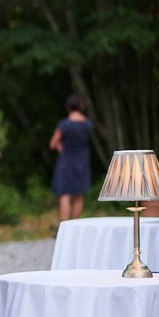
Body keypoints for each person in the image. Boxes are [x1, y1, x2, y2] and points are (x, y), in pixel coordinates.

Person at [49, 94, 93, 222]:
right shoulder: (87, 124)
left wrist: (59, 145)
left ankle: (65, 226)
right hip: (82, 160)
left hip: (67, 161)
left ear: (67, 107)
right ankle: (75, 225)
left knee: (65, 193)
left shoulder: (64, 125)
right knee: (79, 194)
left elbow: (52, 143)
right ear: (80, 107)